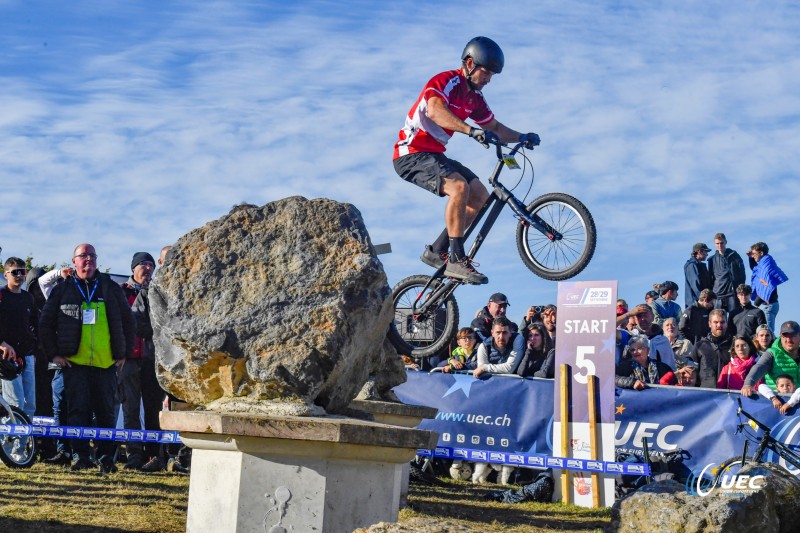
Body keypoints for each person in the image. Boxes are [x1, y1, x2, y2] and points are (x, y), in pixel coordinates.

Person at [393, 36, 540, 285]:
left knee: (480, 196)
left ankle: (437, 250)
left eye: (493, 75)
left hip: (435, 155)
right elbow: (435, 110)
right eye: (487, 72)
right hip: (411, 154)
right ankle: (456, 257)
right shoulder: (447, 81)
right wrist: (470, 131)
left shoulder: (475, 99)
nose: (489, 79)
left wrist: (521, 137)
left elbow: (494, 127)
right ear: (470, 63)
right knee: (459, 187)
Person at [39, 244, 136, 472]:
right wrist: (54, 354)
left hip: (106, 363)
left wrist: (124, 354)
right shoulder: (62, 290)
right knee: (77, 412)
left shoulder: (110, 288)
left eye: (92, 256)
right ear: (74, 261)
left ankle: (106, 459)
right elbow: (45, 324)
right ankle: (80, 457)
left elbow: (129, 322)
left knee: (106, 413)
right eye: (83, 256)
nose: (88, 260)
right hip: (75, 363)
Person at [119, 252, 165, 472]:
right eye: (143, 265)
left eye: (150, 265)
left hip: (152, 360)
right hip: (128, 359)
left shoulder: (158, 291)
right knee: (130, 409)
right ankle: (133, 455)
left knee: (153, 409)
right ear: (133, 268)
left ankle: (154, 455)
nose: (147, 269)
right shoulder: (120, 292)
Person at [0, 257, 38, 418]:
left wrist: (34, 350)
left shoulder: (28, 298)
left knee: (30, 404)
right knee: (15, 404)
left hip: (27, 356)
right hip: (7, 357)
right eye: (15, 272)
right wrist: (1, 344)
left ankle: (25, 443)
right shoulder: (1, 295)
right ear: (6, 274)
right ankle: (11, 443)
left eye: (23, 272)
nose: (20, 276)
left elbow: (35, 325)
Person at [742, 320, 800, 398]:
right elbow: (759, 367)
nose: (789, 340)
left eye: (793, 336)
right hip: (778, 405)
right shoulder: (772, 353)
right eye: (785, 336)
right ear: (780, 337)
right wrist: (748, 384)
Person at [617, 304, 675, 370]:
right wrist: (630, 314)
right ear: (635, 319)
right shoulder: (629, 336)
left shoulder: (663, 340)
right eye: (639, 316)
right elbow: (608, 328)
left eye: (646, 315)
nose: (643, 319)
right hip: (634, 379)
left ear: (653, 317)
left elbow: (670, 367)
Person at [747, 242, 788, 334]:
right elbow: (755, 269)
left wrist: (757, 301)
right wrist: (750, 258)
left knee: (767, 333)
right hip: (769, 304)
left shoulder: (765, 266)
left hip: (767, 305)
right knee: (764, 332)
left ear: (761, 253)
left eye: (754, 254)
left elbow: (764, 285)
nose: (753, 256)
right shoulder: (764, 264)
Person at [692, 309, 733, 388]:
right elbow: (692, 372)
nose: (719, 325)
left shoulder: (735, 345)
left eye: (722, 322)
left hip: (729, 393)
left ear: (727, 324)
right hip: (706, 393)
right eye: (716, 322)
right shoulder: (699, 346)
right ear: (709, 324)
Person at [708, 232, 745, 313]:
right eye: (717, 243)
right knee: (717, 318)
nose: (719, 245)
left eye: (721, 243)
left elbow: (742, 274)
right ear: (714, 244)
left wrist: (740, 289)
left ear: (726, 242)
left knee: (734, 318)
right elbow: (711, 277)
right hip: (718, 294)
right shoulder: (712, 260)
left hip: (731, 293)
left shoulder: (734, 256)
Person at [684, 243, 713, 309]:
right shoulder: (691, 265)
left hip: (702, 303)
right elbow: (695, 285)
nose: (707, 254)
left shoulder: (700, 266)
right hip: (696, 305)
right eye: (706, 251)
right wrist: (704, 299)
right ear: (699, 251)